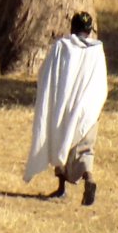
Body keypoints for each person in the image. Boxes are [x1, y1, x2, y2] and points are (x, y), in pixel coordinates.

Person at [23, 11, 108, 206]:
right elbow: (100, 82)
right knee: (84, 148)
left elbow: (47, 72)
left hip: (63, 105)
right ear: (89, 30)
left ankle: (61, 188)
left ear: (73, 28)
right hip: (87, 109)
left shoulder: (62, 46)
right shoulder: (97, 50)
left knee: (60, 140)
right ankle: (89, 178)